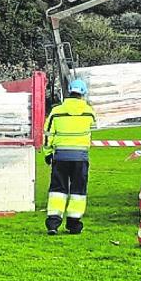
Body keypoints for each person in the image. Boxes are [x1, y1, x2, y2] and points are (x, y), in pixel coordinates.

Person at [42, 78, 97, 236]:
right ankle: (73, 224)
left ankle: (53, 222)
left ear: (68, 92)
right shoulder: (89, 112)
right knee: (78, 190)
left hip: (60, 157)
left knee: (58, 189)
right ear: (83, 94)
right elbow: (94, 126)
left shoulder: (56, 112)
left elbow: (48, 135)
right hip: (80, 157)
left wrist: (47, 153)